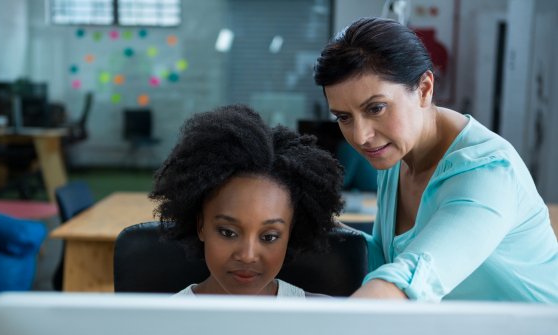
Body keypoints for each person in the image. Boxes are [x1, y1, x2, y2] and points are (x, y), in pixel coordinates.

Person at [314, 17, 558, 302]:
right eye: (344, 117)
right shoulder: (397, 159)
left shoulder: (486, 173)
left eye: (376, 108)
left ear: (424, 89)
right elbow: (385, 259)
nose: (361, 135)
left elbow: (412, 279)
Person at [149, 104, 344, 297]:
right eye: (228, 232)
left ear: (291, 233)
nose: (247, 255)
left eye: (269, 237)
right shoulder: (157, 323)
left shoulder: (323, 318)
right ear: (201, 225)